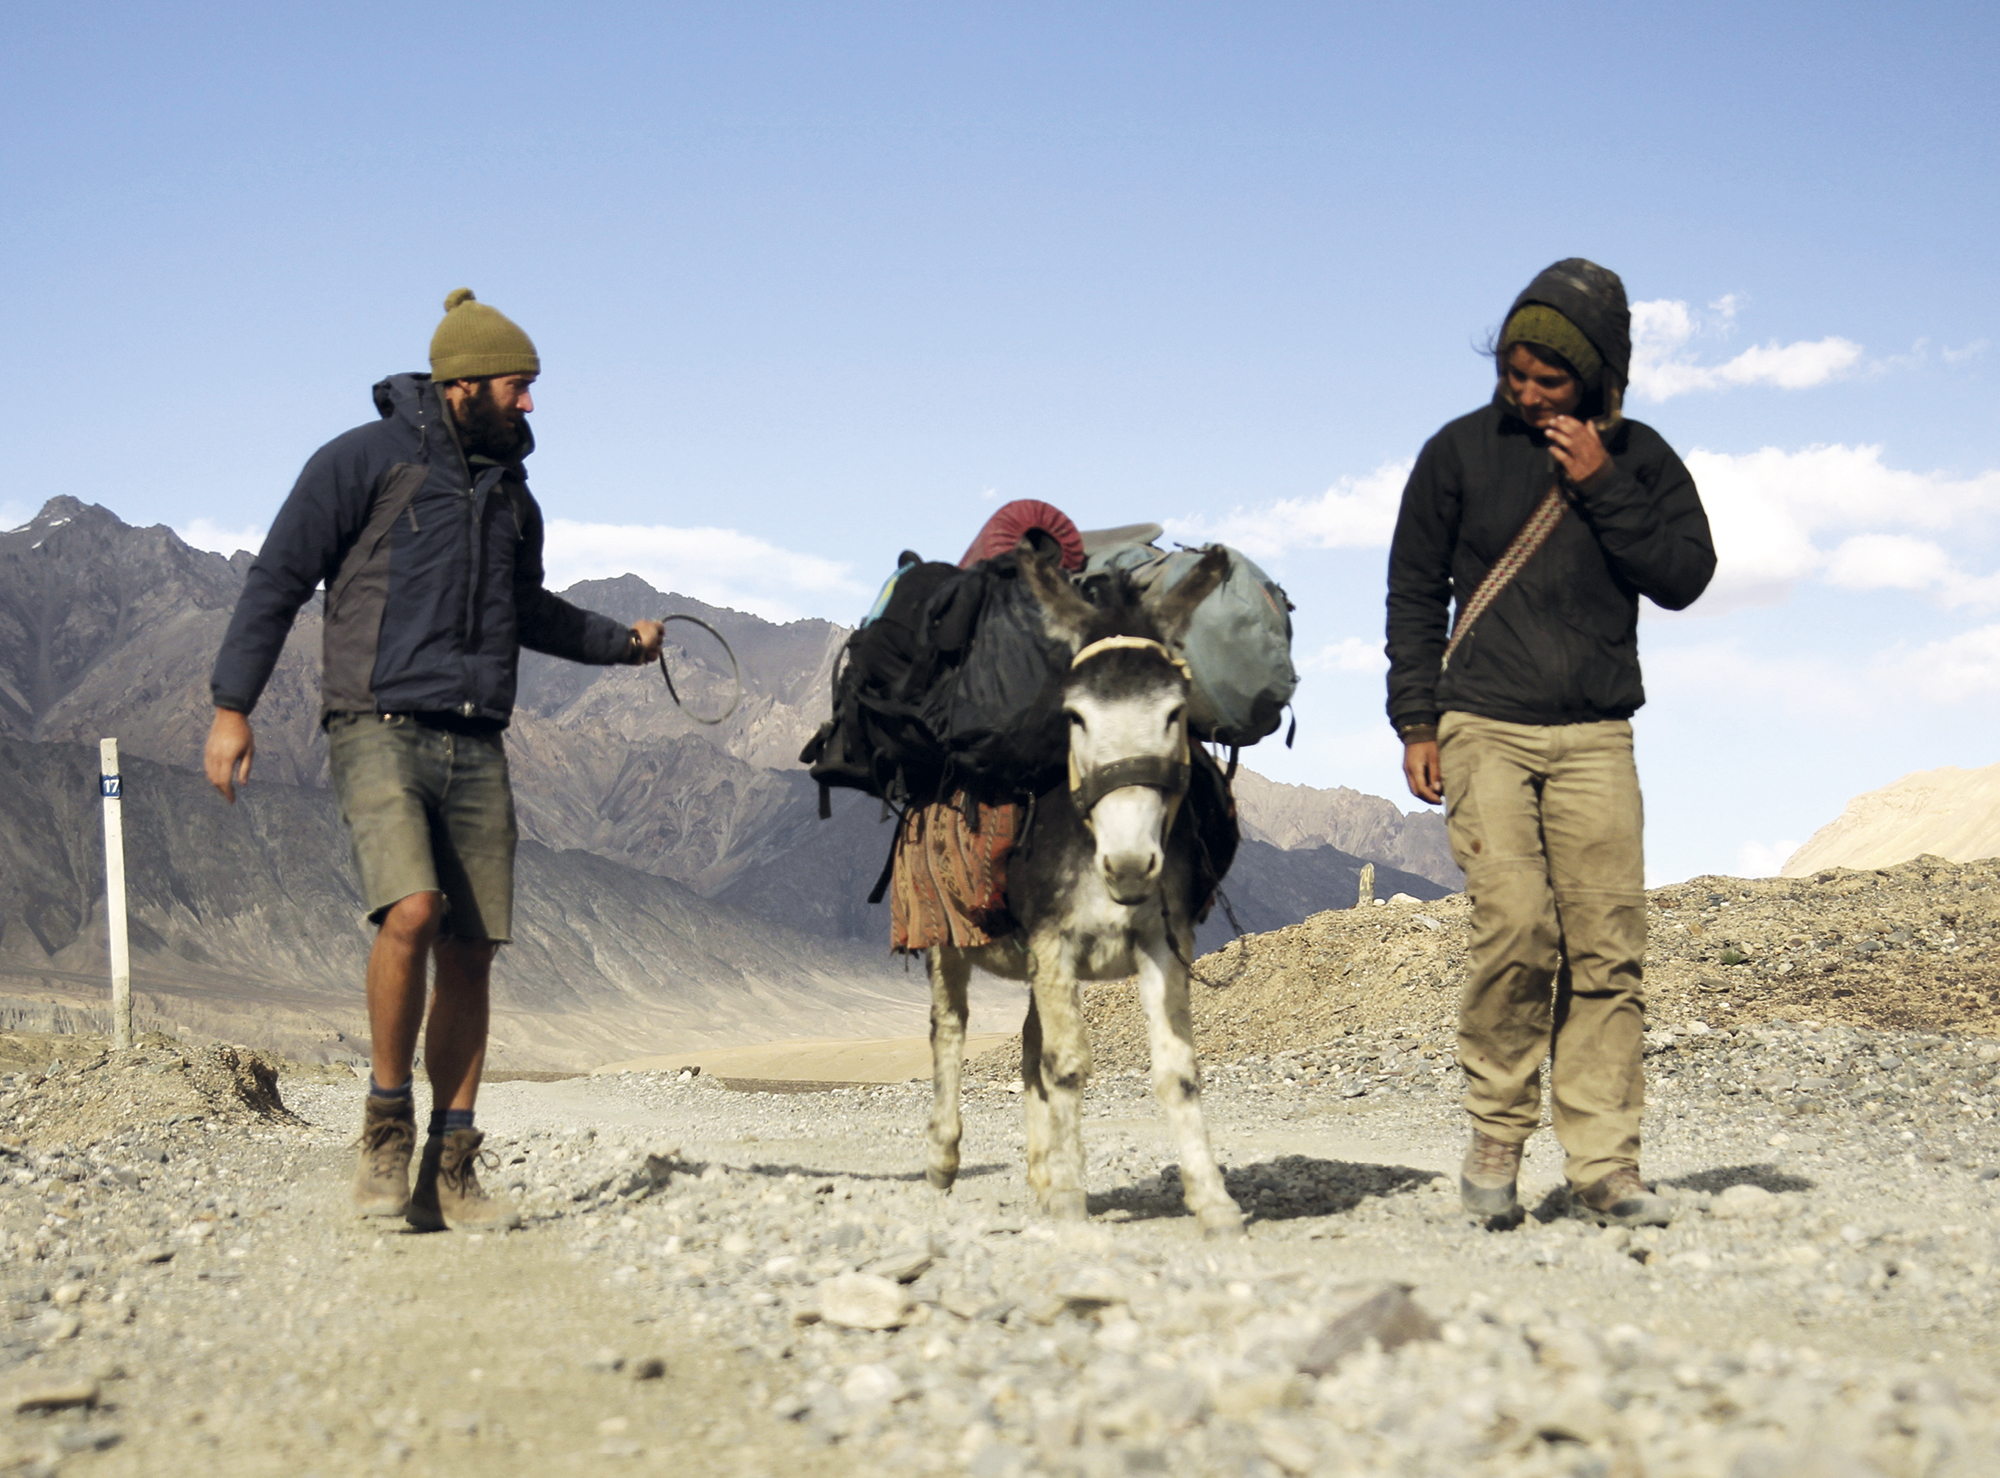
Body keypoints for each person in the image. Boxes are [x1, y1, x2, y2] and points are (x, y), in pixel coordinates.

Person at [204, 289, 665, 1231]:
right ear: (463, 386)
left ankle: (451, 1167)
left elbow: (527, 609)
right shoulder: (360, 463)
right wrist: (231, 706)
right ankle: (383, 1130)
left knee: (473, 948)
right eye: (517, 385)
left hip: (476, 739)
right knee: (410, 912)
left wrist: (623, 644)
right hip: (375, 725)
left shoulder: (512, 497)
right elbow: (280, 578)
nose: (530, 404)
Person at [1385, 259, 1715, 1228]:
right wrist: (1415, 718)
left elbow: (1684, 574)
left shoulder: (1642, 460)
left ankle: (1604, 1163)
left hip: (1594, 734)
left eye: (1547, 378)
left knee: (1608, 949)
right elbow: (1412, 591)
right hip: (1482, 722)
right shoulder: (1455, 452)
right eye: (1512, 372)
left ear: (1597, 374)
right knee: (1516, 928)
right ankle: (1495, 1132)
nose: (1524, 392)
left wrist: (1602, 484)